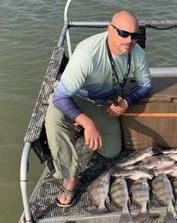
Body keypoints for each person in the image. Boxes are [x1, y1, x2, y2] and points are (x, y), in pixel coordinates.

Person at [45, 10, 151, 207]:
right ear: (109, 29)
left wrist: (127, 102)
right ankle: (69, 177)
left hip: (103, 101)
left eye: (135, 35)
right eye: (123, 33)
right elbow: (61, 96)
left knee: (111, 152)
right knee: (54, 119)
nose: (129, 40)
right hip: (73, 96)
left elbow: (145, 85)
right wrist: (88, 123)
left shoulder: (137, 53)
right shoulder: (87, 53)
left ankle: (77, 123)